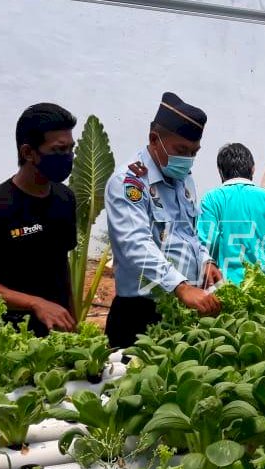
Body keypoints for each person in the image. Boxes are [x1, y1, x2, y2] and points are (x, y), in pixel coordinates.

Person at [105, 92, 222, 348]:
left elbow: (188, 233)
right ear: (153, 140)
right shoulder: (130, 182)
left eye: (194, 152)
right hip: (140, 313)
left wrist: (205, 261)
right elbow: (136, 244)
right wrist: (180, 287)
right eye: (181, 150)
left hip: (181, 308)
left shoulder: (183, 180)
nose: (188, 159)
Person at [0, 103, 78, 336]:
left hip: (58, 330)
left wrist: (72, 318)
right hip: (11, 336)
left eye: (70, 149)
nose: (67, 157)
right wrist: (36, 304)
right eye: (58, 150)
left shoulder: (65, 198)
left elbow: (61, 264)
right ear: (28, 153)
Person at [197, 143, 265, 284]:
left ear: (220, 171)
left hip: (227, 287)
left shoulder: (212, 199)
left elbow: (208, 243)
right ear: (253, 169)